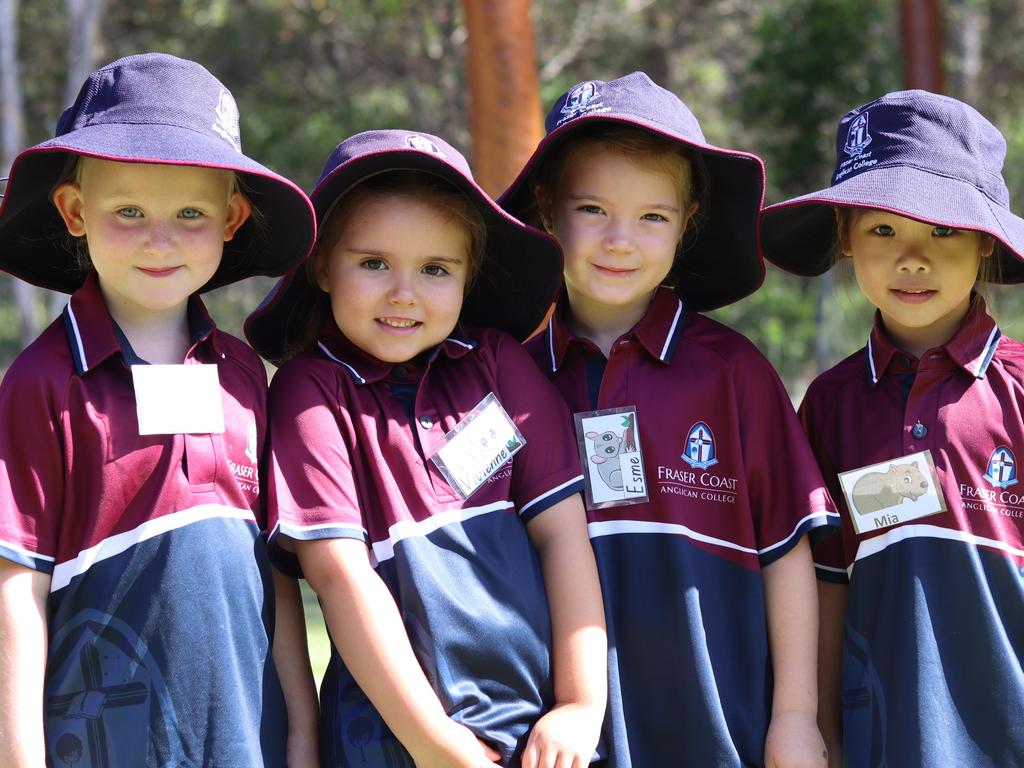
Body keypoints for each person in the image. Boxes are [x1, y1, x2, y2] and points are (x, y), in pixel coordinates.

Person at [500, 72, 839, 768]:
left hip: (725, 738)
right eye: (592, 209)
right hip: (562, 746)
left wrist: (798, 717)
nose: (620, 240)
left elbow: (788, 554)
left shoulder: (734, 373)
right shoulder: (507, 381)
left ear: (687, 221)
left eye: (653, 216)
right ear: (545, 209)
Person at [246, 129, 607, 768]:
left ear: (469, 277)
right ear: (323, 266)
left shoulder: (500, 365)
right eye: (374, 263)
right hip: (388, 740)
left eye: (436, 269)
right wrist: (435, 745)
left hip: (538, 737)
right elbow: (340, 575)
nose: (404, 293)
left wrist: (579, 707)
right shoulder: (309, 391)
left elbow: (562, 537)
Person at [0, 53, 319, 767]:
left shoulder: (243, 373)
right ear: (76, 212)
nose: (160, 238)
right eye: (129, 211)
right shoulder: (40, 383)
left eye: (190, 214)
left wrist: (302, 730)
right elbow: (14, 591)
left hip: (251, 741)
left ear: (232, 218)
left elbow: (276, 574)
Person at [761, 90, 1024, 768]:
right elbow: (824, 584)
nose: (913, 257)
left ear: (988, 244)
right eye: (884, 230)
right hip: (884, 742)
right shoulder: (829, 404)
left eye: (944, 230)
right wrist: (817, 727)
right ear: (846, 237)